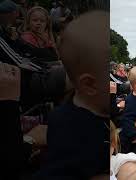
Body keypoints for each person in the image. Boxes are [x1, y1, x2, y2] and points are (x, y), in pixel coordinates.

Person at [34, 10, 109, 179]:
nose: (116, 85)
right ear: (89, 84)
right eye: (110, 78)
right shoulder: (71, 131)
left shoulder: (100, 107)